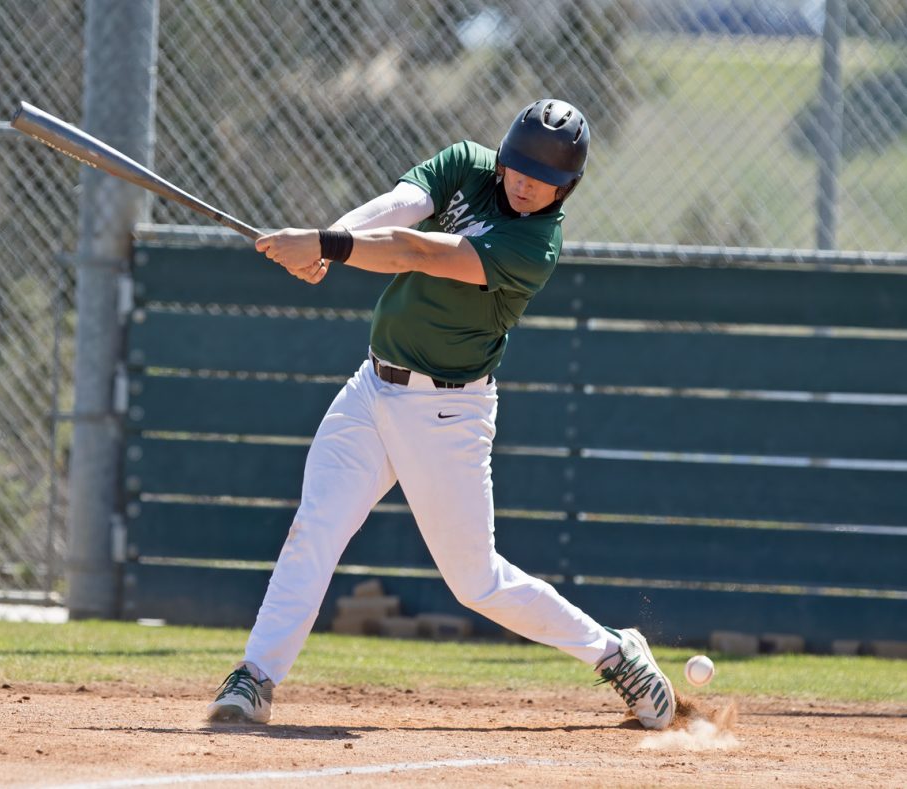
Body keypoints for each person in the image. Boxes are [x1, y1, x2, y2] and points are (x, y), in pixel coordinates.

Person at [206, 99, 677, 730]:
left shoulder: (533, 246)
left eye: (543, 177)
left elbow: (416, 252)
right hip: (372, 388)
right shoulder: (468, 164)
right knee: (315, 527)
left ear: (568, 187)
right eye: (518, 166)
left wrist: (324, 244)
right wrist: (329, 242)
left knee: (475, 582)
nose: (524, 181)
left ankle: (615, 653)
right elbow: (396, 208)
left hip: (447, 411)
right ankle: (257, 676)